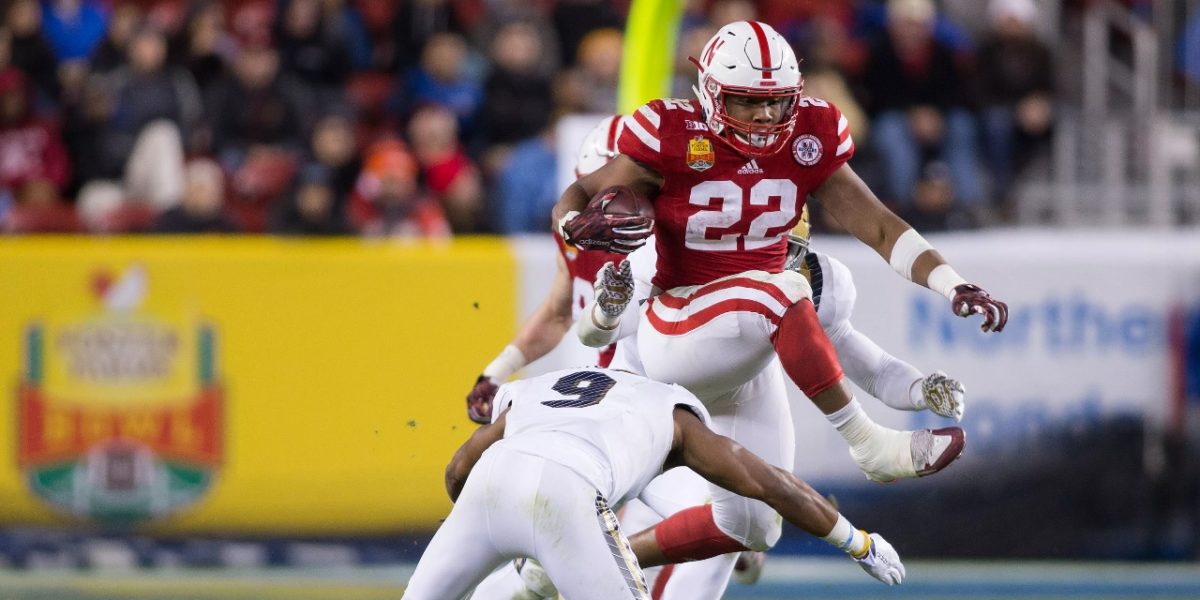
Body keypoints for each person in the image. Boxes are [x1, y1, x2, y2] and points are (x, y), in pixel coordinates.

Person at [551, 19, 1006, 574]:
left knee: (749, 526)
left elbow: (880, 227)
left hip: (749, 338)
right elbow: (582, 194)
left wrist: (952, 281)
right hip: (680, 324)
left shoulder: (812, 137)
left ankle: (571, 569)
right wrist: (574, 223)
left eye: (776, 102)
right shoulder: (671, 131)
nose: (766, 117)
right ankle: (869, 444)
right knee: (784, 291)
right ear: (712, 94)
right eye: (747, 102)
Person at [404, 368, 905, 600]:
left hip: (491, 479)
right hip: (568, 492)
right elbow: (771, 485)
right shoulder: (676, 416)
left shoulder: (544, 386)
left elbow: (459, 466)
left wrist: (476, 521)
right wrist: (856, 541)